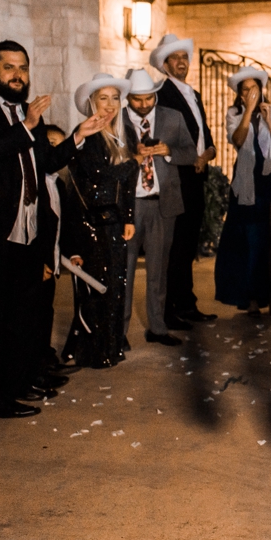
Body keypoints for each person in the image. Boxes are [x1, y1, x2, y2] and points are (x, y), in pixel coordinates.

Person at [0, 41, 109, 417]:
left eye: (23, 67)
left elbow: (47, 162)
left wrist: (78, 136)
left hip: (26, 234)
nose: (17, 75)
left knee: (20, 320)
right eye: (8, 68)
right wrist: (25, 127)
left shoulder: (26, 111)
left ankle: (17, 386)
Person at [61, 76, 135, 369]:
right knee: (94, 288)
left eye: (114, 98)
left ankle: (111, 344)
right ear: (92, 102)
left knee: (116, 285)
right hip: (89, 225)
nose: (109, 105)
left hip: (114, 225)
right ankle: (91, 349)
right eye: (103, 98)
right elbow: (96, 182)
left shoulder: (122, 135)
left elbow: (128, 185)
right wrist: (131, 163)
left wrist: (129, 216)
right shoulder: (87, 137)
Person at [121, 69, 197, 348]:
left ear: (155, 95)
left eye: (147, 99)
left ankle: (157, 327)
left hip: (163, 204)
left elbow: (191, 153)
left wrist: (169, 152)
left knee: (158, 271)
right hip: (129, 206)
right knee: (124, 271)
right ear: (127, 97)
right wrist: (132, 155)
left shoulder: (173, 118)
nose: (142, 105)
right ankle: (119, 332)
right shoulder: (117, 121)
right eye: (136, 100)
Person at [149, 33, 217, 329]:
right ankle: (171, 309)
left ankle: (186, 303)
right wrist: (194, 158)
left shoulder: (193, 93)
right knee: (174, 246)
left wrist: (207, 154)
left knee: (187, 245)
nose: (181, 63)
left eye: (184, 58)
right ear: (164, 64)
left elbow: (205, 137)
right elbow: (165, 140)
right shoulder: (162, 94)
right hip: (177, 176)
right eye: (175, 58)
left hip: (197, 174)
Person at [214, 68, 271, 314]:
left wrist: (269, 120)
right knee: (247, 239)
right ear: (239, 93)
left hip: (268, 179)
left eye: (254, 89)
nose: (250, 93)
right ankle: (252, 298)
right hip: (246, 179)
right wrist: (248, 110)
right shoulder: (233, 114)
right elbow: (237, 140)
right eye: (245, 89)